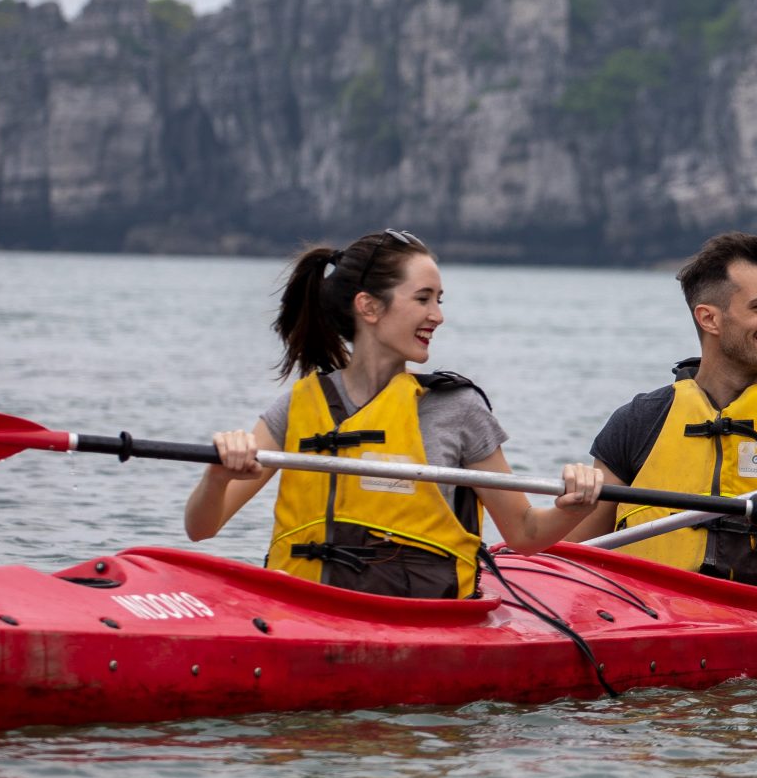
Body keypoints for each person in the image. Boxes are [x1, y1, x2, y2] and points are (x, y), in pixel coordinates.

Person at [183, 228, 601, 598]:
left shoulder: (457, 408)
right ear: (368, 307)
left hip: (418, 619)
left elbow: (524, 533)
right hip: (302, 610)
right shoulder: (297, 407)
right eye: (423, 299)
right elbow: (201, 527)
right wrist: (217, 476)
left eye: (438, 300)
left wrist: (574, 506)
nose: (437, 315)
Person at [562, 231, 757, 591]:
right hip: (647, 611)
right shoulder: (639, 420)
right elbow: (571, 554)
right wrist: (572, 503)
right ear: (709, 319)